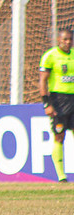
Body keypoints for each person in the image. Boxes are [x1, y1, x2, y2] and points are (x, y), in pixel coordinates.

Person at [39, 28, 74, 183]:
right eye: (65, 39)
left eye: (70, 40)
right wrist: (47, 103)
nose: (68, 42)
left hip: (73, 99)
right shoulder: (50, 56)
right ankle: (61, 176)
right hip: (58, 101)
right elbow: (43, 80)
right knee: (59, 135)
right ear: (59, 40)